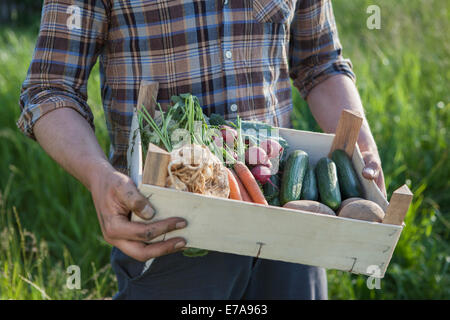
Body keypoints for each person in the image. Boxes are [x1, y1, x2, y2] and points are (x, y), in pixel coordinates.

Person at [17, 0, 386, 300]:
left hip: (288, 221)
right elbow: (50, 88)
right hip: (169, 228)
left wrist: (363, 147)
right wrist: (100, 178)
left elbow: (319, 63)